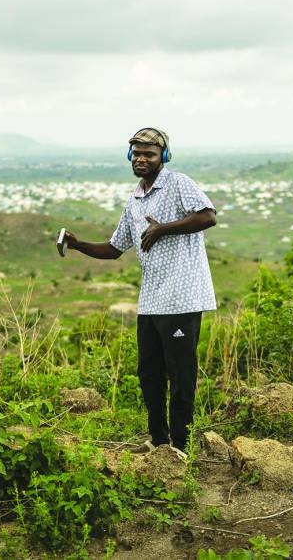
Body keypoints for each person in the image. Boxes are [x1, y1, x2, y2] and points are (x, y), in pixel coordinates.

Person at [60, 127, 217, 458]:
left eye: (150, 153)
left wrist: (163, 229)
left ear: (164, 156)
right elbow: (115, 249)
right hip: (152, 301)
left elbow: (207, 216)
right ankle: (159, 441)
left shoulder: (178, 183)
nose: (143, 158)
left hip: (182, 297)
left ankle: (181, 446)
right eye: (137, 153)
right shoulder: (134, 200)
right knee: (149, 373)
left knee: (181, 375)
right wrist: (77, 245)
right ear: (129, 156)